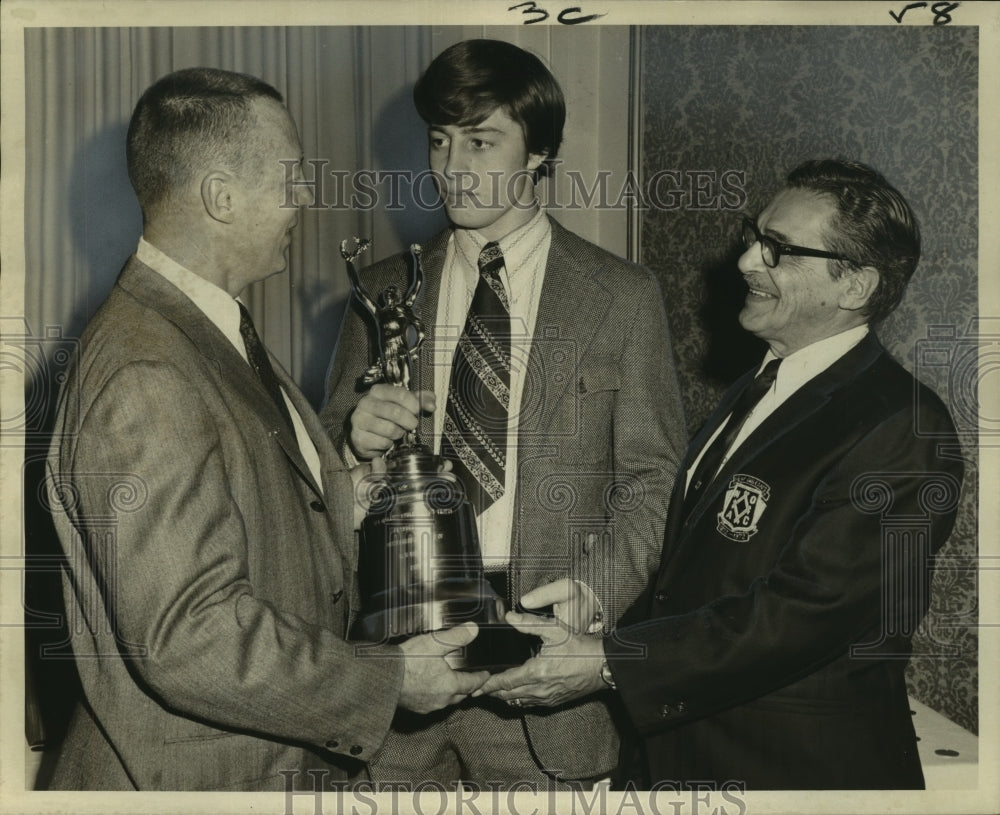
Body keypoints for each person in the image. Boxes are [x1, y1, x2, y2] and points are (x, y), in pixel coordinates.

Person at [42, 67, 486, 792]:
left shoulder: (208, 331)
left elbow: (249, 518)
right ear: (220, 196)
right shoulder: (145, 372)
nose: (306, 197)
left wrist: (350, 484)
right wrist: (390, 679)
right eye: (291, 175)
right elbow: (189, 636)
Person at [479, 159, 964, 790]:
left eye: (779, 250)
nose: (745, 262)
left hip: (793, 774)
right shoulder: (756, 385)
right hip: (689, 758)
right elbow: (702, 568)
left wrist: (609, 663)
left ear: (856, 286)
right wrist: (600, 605)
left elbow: (802, 616)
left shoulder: (901, 425)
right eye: (753, 236)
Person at [320, 39, 686, 789]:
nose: (452, 166)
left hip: (545, 676)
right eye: (441, 141)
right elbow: (312, 470)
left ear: (539, 152)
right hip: (400, 676)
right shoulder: (383, 292)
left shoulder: (622, 296)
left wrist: (595, 592)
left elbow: (654, 479)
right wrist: (350, 446)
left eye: (481, 141)